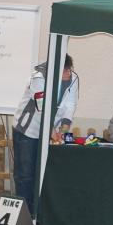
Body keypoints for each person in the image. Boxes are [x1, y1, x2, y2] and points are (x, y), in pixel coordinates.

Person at [13, 54, 79, 215]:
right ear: (54, 70)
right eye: (64, 70)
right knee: (25, 175)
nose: (68, 73)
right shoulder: (38, 78)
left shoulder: (74, 79)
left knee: (42, 174)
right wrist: (51, 131)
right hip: (27, 131)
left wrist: (63, 129)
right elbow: (41, 108)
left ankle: (39, 213)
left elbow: (71, 104)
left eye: (69, 69)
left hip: (51, 131)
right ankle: (25, 215)